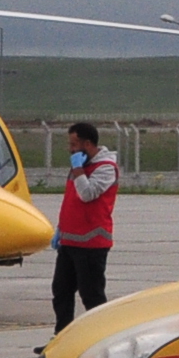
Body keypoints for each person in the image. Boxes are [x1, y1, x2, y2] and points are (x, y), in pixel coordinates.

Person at [54, 121, 118, 330]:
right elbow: (70, 201)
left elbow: (87, 194)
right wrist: (61, 229)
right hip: (70, 241)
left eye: (74, 144)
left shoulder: (105, 168)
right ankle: (61, 336)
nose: (70, 149)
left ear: (88, 144)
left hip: (91, 244)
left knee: (91, 296)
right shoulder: (78, 167)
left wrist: (79, 170)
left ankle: (100, 336)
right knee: (61, 291)